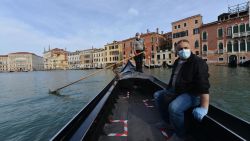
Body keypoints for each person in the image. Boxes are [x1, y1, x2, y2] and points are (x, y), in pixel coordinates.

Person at [154, 39, 210, 141]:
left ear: (190, 49)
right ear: (177, 51)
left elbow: (203, 85)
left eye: (186, 48)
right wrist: (169, 90)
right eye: (180, 49)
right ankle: (168, 123)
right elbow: (173, 78)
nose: (183, 50)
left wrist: (204, 107)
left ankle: (180, 135)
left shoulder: (198, 62)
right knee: (157, 96)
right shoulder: (177, 62)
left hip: (192, 93)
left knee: (174, 108)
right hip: (176, 91)